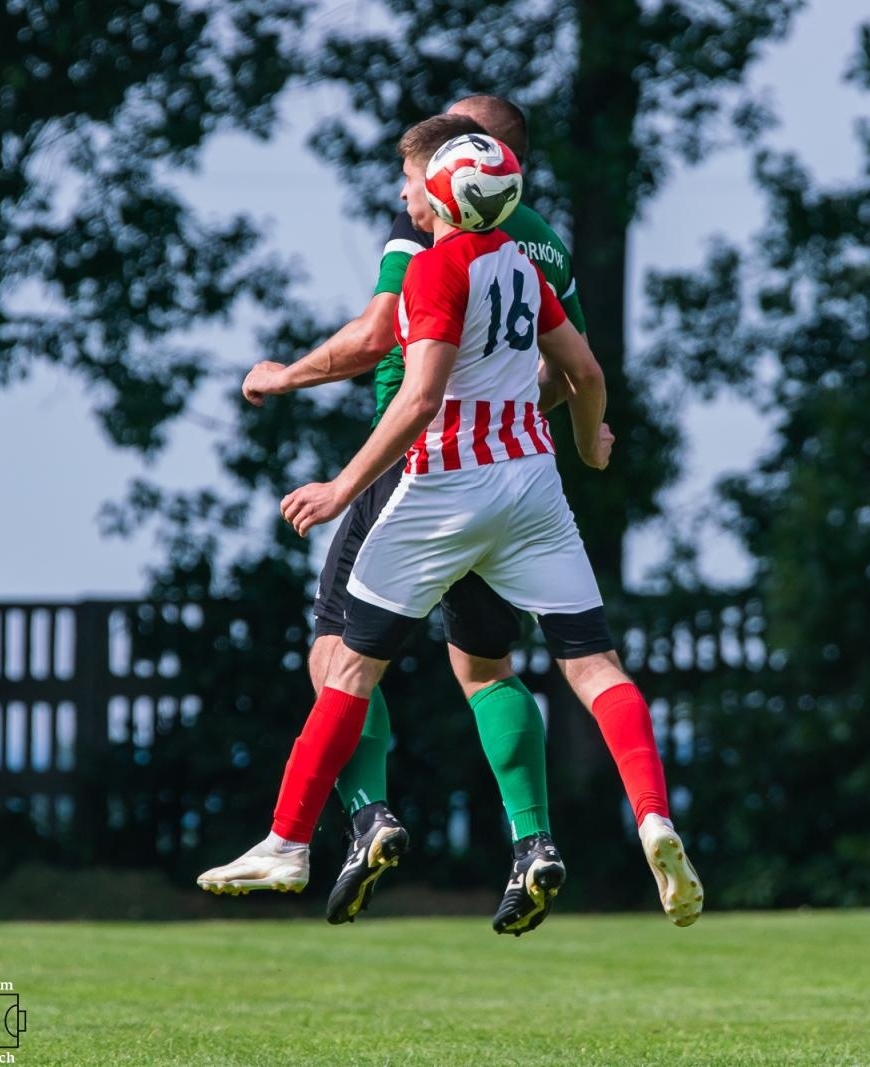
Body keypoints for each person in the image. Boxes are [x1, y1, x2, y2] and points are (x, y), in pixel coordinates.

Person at [199, 114, 704, 931]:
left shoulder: (433, 268)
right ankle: (651, 816)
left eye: (413, 182)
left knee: (348, 666)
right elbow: (583, 372)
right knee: (591, 665)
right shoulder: (525, 264)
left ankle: (288, 841)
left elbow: (419, 396)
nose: (405, 194)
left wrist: (340, 486)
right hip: (532, 489)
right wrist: (591, 445)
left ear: (439, 194)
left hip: (442, 492)